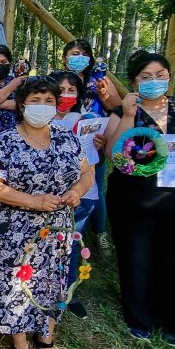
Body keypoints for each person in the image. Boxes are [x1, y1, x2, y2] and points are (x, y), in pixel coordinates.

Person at [0, 76, 94, 349]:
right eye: (35, 100)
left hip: (56, 227)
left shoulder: (67, 139)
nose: (42, 106)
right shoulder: (6, 140)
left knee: (52, 280)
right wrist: (33, 201)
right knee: (18, 282)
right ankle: (19, 341)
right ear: (21, 104)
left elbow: (87, 173)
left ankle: (46, 335)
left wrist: (77, 192)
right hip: (15, 226)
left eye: (49, 101)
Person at [103, 51, 175, 344]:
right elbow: (113, 154)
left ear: (169, 77)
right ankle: (139, 318)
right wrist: (127, 114)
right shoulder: (122, 112)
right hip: (132, 198)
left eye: (160, 75)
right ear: (133, 81)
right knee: (136, 255)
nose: (154, 81)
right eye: (146, 77)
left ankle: (170, 322)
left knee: (174, 258)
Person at [54, 39, 120, 258]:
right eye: (74, 53)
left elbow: (117, 109)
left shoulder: (99, 80)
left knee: (94, 188)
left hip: (93, 143)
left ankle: (99, 232)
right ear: (64, 58)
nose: (79, 57)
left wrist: (104, 96)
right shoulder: (53, 79)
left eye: (83, 53)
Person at [51, 71, 106, 318]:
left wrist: (99, 145)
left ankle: (68, 292)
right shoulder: (39, 116)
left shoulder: (88, 119)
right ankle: (44, 289)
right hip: (50, 195)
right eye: (60, 89)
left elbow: (93, 163)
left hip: (83, 194)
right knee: (48, 243)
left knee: (72, 244)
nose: (65, 95)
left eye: (71, 90)